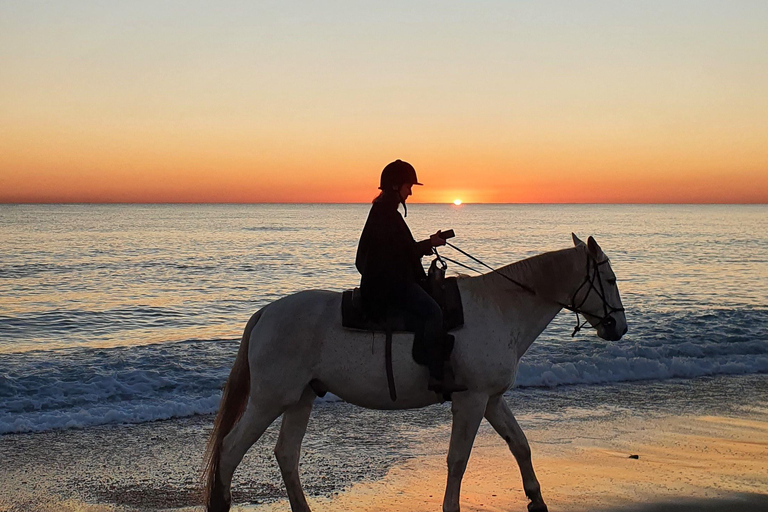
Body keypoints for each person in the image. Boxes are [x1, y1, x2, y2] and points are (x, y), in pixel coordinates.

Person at [355, 160, 465, 394]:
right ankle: (436, 376)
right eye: (408, 186)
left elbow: (402, 250)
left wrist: (428, 244)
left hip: (387, 282)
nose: (411, 192)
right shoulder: (386, 215)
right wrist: (429, 244)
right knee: (434, 312)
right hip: (390, 287)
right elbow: (404, 252)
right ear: (396, 187)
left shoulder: (383, 212)